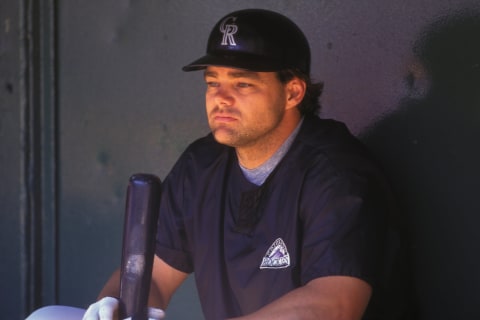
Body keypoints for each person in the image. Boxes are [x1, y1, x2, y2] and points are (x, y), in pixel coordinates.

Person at [30, 8, 408, 320]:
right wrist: (113, 305)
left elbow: (334, 305)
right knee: (48, 317)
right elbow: (154, 277)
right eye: (213, 83)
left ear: (293, 91)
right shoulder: (202, 164)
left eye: (242, 84)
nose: (221, 99)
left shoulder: (337, 171)